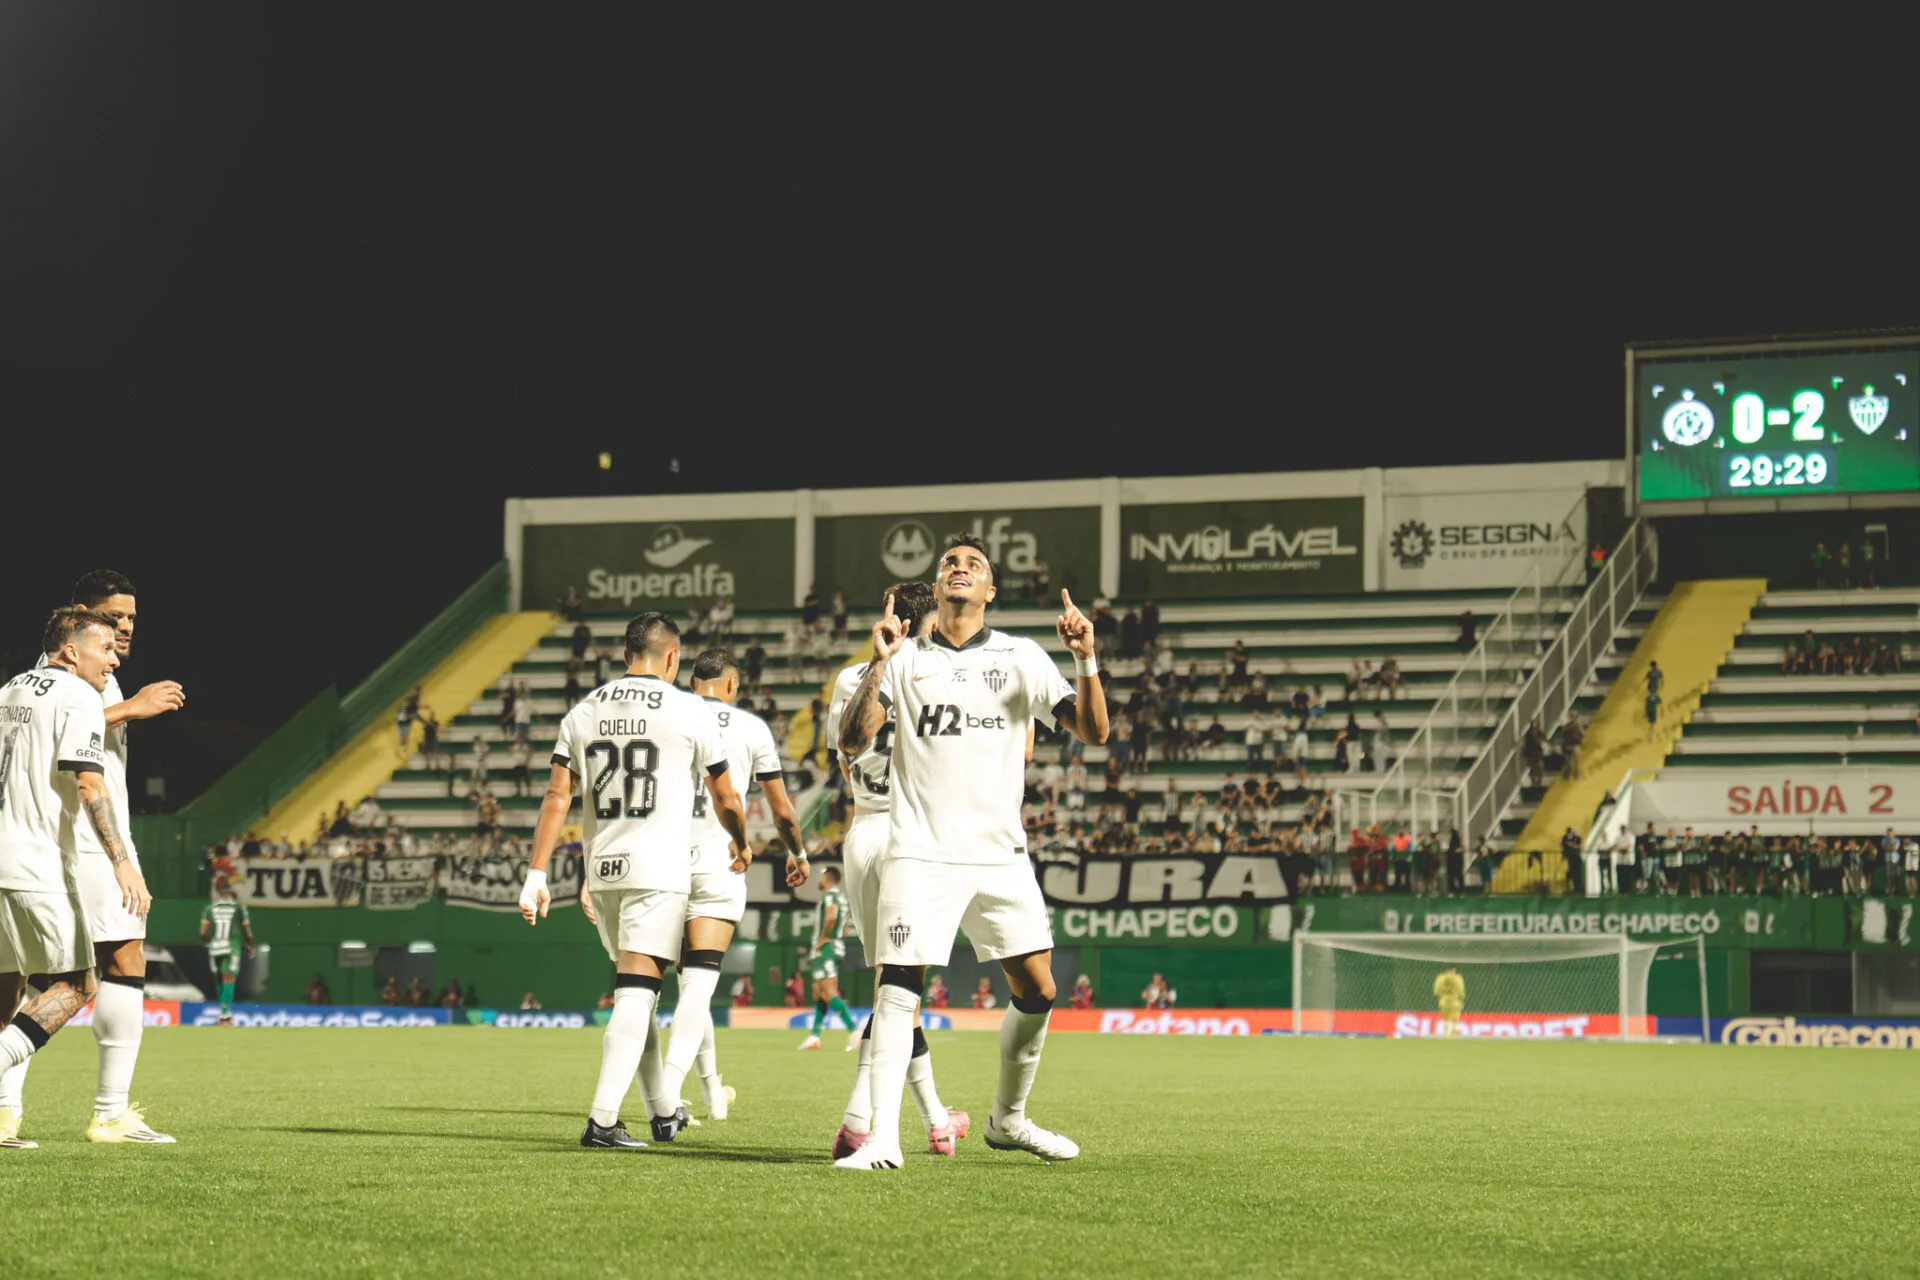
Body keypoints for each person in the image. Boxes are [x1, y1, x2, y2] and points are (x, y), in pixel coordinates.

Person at [834, 535, 1106, 1169]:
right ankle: (880, 1140)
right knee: (898, 987)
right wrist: (879, 661)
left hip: (998, 854)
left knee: (1039, 988)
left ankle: (1007, 1120)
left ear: (990, 592)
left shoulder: (1022, 656)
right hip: (919, 851)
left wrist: (1087, 658)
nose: (960, 569)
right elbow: (852, 741)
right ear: (937, 587)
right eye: (950, 563)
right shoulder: (903, 659)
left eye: (974, 565)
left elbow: (1094, 731)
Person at [518, 611, 750, 1150]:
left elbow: (557, 797)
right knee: (637, 992)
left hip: (601, 870)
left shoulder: (583, 711)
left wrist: (536, 873)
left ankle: (663, 1112)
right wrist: (739, 839)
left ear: (626, 657)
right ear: (672, 658)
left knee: (633, 990)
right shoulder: (690, 710)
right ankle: (601, 1122)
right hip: (657, 868)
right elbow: (725, 796)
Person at [1, 575, 183, 1145]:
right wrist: (130, 708)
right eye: (111, 621)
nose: (122, 631)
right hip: (67, 847)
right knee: (93, 974)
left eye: (129, 621)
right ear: (78, 624)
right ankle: (106, 1113)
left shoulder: (15, 686)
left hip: (25, 846)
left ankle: (15, 1113)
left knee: (18, 975)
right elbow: (78, 764)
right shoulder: (83, 685)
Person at [633, 647, 807, 1120]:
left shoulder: (666, 715)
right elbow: (781, 810)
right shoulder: (752, 728)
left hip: (660, 863)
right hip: (719, 860)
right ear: (732, 686)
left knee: (687, 984)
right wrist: (797, 853)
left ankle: (711, 1092)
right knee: (699, 985)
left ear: (692, 682)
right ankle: (669, 1088)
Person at [823, 584, 966, 1158]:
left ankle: (935, 1117)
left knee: (895, 990)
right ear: (922, 624)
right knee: (899, 993)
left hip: (861, 835)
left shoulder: (850, 679)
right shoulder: (939, 678)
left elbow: (844, 752)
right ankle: (858, 1123)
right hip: (913, 835)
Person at [799, 868, 859, 1051]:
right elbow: (845, 927)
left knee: (827, 991)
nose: (819, 879)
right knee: (819, 992)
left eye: (820, 876)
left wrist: (823, 938)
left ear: (826, 878)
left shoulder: (830, 897)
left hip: (827, 949)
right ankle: (814, 1037)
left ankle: (855, 1031)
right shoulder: (842, 898)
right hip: (836, 946)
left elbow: (831, 916)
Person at [200, 880, 255, 1023]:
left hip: (215, 947)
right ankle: (225, 1015)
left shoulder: (209, 909)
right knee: (229, 979)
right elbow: (247, 931)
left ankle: (223, 1013)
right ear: (231, 894)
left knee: (219, 979)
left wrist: (210, 941)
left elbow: (203, 932)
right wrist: (250, 945)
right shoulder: (239, 909)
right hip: (231, 947)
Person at [1433, 967, 1465, 1038]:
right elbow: (1460, 989)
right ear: (1454, 970)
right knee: (1455, 1017)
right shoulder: (1458, 978)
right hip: (1455, 1000)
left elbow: (1437, 990)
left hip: (1444, 1000)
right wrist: (1462, 997)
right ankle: (1454, 1032)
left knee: (1446, 1018)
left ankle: (1446, 1033)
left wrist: (1440, 994)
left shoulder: (1440, 978)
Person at [1558, 712, 1585, 781]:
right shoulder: (1567, 726)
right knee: (1568, 762)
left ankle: (1576, 776)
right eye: (1572, 716)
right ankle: (1567, 775)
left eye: (1574, 717)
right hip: (1570, 745)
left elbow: (1582, 733)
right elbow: (1563, 735)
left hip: (1575, 745)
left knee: (1576, 761)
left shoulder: (1576, 725)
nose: (1573, 718)